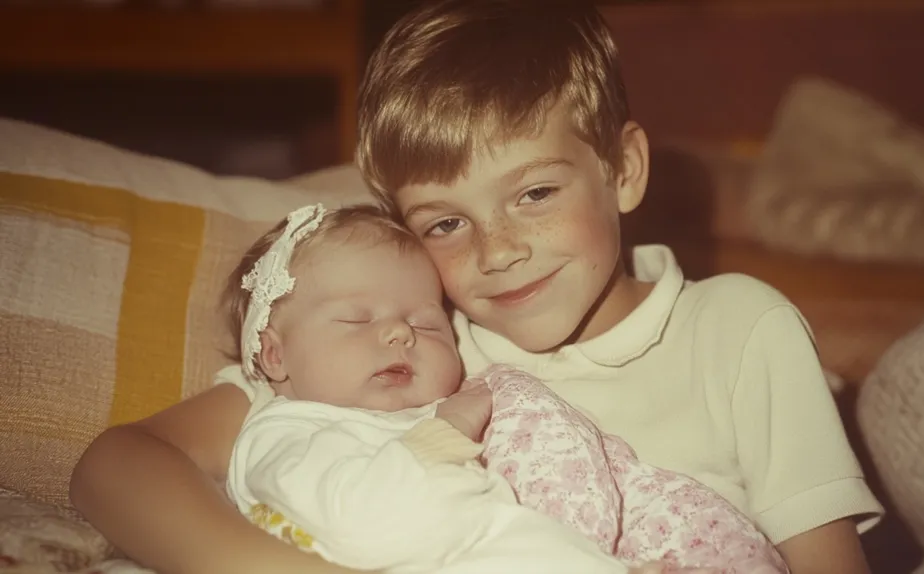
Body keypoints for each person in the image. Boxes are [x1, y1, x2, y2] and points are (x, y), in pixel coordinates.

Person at [70, 1, 883, 573]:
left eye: (534, 194)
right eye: (445, 224)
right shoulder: (416, 347)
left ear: (623, 170)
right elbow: (119, 464)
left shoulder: (741, 329)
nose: (497, 252)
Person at [217, 202, 649, 574]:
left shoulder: (421, 410)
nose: (399, 334)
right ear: (275, 356)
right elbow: (368, 522)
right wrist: (447, 429)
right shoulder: (282, 437)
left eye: (426, 324)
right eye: (356, 319)